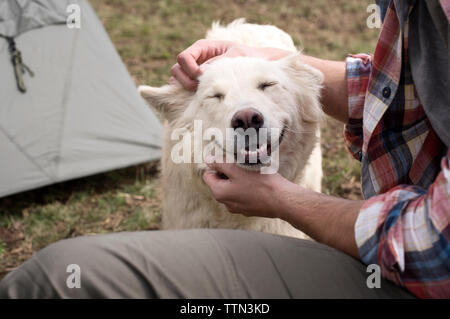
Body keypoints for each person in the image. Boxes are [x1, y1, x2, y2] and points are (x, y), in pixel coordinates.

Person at [0, 0, 448, 299]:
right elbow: (399, 88)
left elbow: (432, 247)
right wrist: (260, 57)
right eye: (217, 99)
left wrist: (285, 200)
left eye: (268, 87)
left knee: (56, 276)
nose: (246, 114)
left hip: (413, 275)